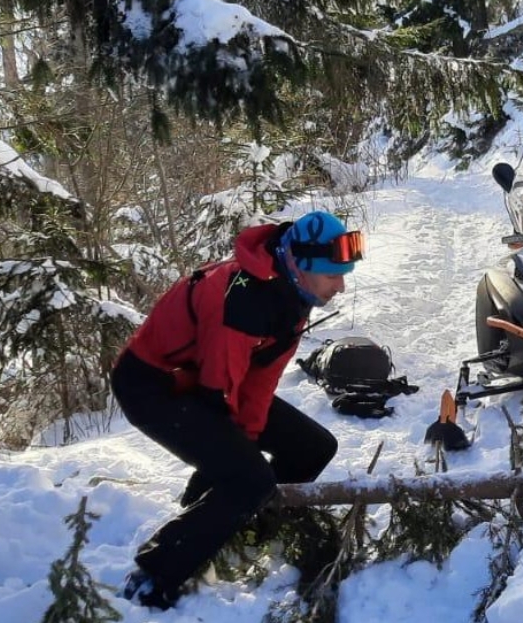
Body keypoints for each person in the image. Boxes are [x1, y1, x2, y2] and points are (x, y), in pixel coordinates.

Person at [110, 211, 363, 610]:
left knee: (313, 447)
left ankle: (242, 524)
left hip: (206, 381)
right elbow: (218, 393)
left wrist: (240, 446)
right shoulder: (242, 298)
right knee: (248, 478)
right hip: (152, 386)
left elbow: (261, 379)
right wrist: (232, 464)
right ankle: (155, 572)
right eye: (333, 275)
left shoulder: (292, 290)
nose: (341, 285)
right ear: (300, 265)